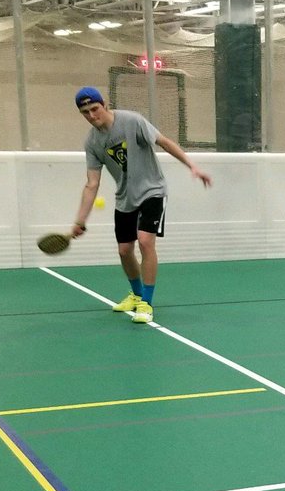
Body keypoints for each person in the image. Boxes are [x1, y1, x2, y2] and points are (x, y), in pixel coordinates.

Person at [69, 86, 212, 324]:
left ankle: (146, 302)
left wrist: (192, 166)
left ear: (105, 104)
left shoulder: (132, 121)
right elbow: (91, 183)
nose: (92, 116)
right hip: (125, 197)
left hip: (152, 190)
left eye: (95, 109)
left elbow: (163, 142)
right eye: (86, 113)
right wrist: (80, 221)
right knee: (124, 251)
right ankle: (135, 295)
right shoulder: (92, 143)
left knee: (145, 241)